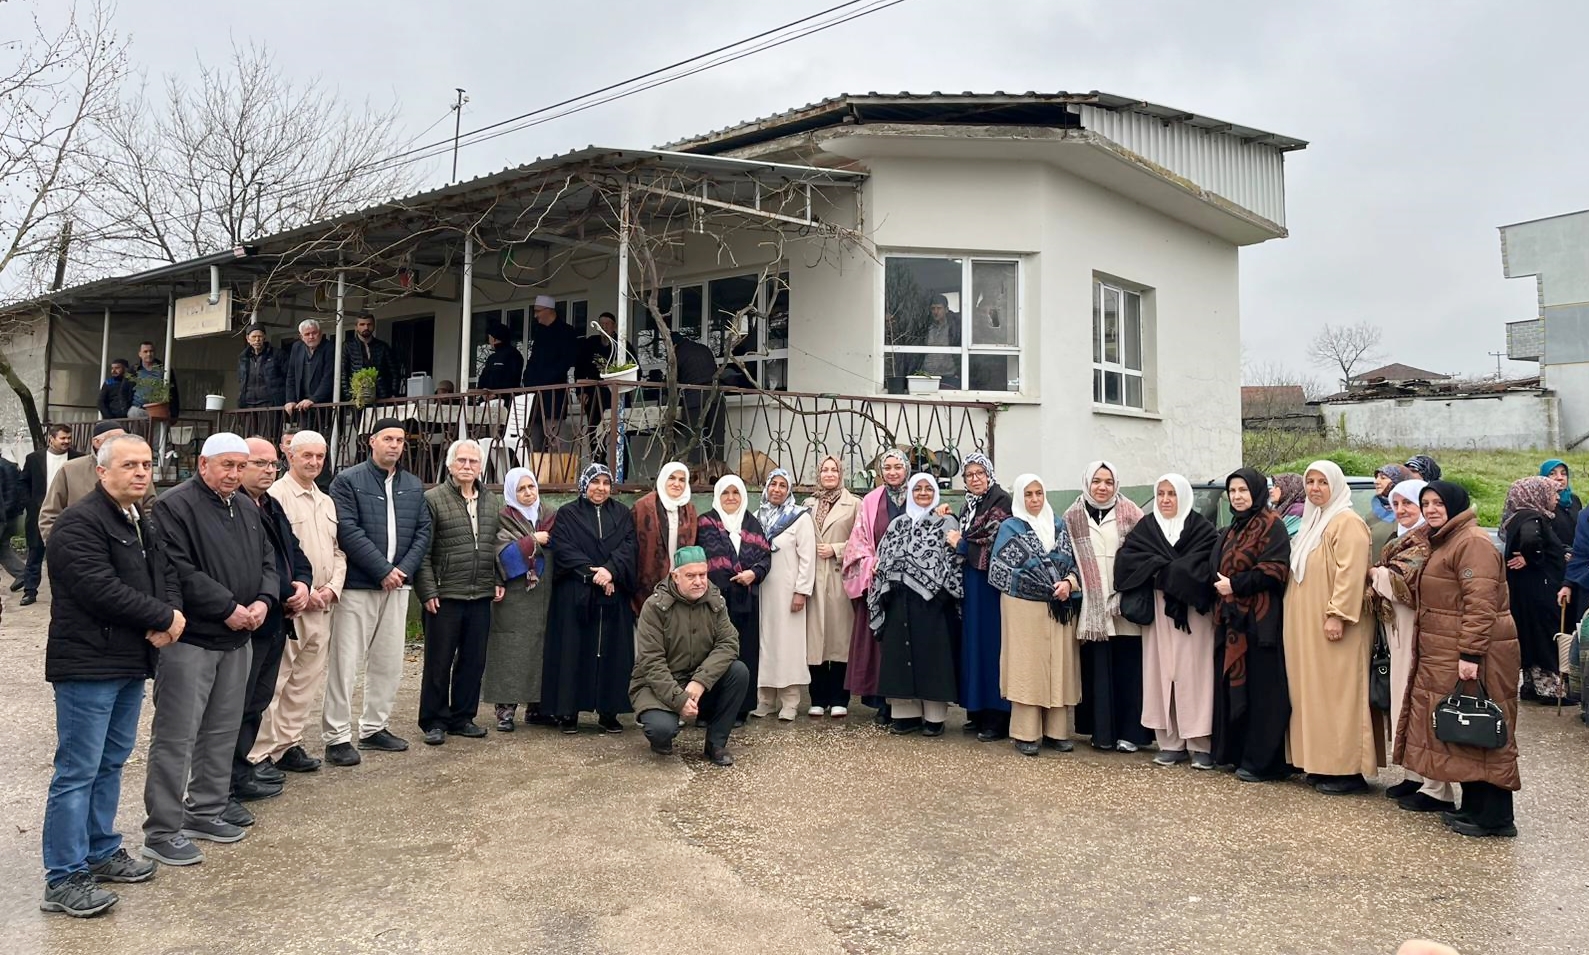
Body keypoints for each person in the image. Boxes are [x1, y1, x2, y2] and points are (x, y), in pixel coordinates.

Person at [39, 434, 181, 916]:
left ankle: (100, 852)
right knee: (77, 770)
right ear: (101, 472)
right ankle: (63, 877)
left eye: (146, 465)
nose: (142, 473)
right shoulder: (79, 524)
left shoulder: (141, 518)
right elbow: (99, 588)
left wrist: (171, 613)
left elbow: (165, 575)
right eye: (130, 466)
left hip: (127, 660)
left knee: (110, 762)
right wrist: (162, 618)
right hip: (88, 664)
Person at [142, 433, 278, 867]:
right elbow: (178, 569)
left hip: (238, 639)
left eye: (241, 467)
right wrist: (228, 608)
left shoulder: (245, 507)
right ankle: (162, 829)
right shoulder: (174, 506)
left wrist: (262, 601)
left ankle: (205, 810)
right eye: (227, 466)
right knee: (177, 736)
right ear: (204, 464)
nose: (235, 475)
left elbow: (268, 561)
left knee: (221, 732)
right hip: (193, 640)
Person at [1397, 481, 1521, 838]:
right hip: (1449, 649)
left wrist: (1470, 654)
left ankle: (1496, 817)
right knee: (1467, 729)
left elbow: (1480, 604)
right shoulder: (1448, 539)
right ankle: (1474, 807)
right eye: (1427, 503)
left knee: (1486, 728)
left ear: (1456, 505)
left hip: (1476, 652)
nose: (1432, 509)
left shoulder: (1471, 543)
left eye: (1439, 503)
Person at [324, 418, 433, 766]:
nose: (394, 445)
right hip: (359, 585)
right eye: (388, 438)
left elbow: (422, 532)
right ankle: (337, 736)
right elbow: (347, 530)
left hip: (398, 587)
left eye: (400, 440)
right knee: (345, 663)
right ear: (372, 441)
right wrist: (382, 570)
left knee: (388, 661)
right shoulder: (347, 481)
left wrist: (401, 572)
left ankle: (374, 728)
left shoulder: (413, 486)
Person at [1283, 460, 1381, 795]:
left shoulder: (1347, 522)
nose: (1314, 488)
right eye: (1309, 482)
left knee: (1340, 694)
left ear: (1335, 486)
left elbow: (1350, 573)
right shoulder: (1313, 521)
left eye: (1322, 482)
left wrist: (1337, 614)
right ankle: (1320, 762)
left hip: (1335, 624)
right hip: (1306, 625)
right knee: (1313, 693)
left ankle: (1347, 770)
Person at [251, 429, 345, 775]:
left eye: (320, 456)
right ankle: (260, 752)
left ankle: (287, 744)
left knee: (305, 682)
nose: (314, 462)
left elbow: (337, 551)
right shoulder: (277, 496)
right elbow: (278, 553)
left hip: (322, 603)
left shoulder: (326, 499)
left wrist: (332, 588)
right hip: (293, 604)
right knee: (276, 681)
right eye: (307, 455)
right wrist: (299, 591)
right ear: (289, 456)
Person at [230, 438, 313, 817]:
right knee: (238, 703)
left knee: (258, 700)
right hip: (252, 618)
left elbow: (294, 554)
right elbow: (254, 566)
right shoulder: (235, 507)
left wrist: (303, 584)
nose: (267, 470)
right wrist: (281, 590)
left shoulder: (271, 505)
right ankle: (227, 778)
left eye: (271, 464)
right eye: (258, 463)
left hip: (278, 617)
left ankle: (241, 770)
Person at [1116, 473, 1219, 768]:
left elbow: (1206, 566)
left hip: (1193, 614)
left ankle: (1200, 741)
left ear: (1183, 496)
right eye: (1160, 494)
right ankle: (1170, 741)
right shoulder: (1147, 527)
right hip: (1160, 613)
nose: (1165, 500)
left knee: (1196, 675)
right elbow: (1127, 562)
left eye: (1171, 494)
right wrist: (1171, 571)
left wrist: (1165, 571)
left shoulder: (1202, 529)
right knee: (1162, 673)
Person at [1369, 477, 1458, 812]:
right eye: (1397, 504)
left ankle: (1435, 783)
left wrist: (1378, 575)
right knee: (1400, 699)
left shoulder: (1427, 542)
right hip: (1397, 630)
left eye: (1409, 503)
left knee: (1418, 700)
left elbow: (1402, 584)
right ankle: (1413, 772)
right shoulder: (1402, 539)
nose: (1403, 510)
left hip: (1418, 629)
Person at [416, 439, 505, 745]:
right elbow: (422, 551)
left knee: (473, 660)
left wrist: (498, 579)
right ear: (450, 465)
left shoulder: (491, 501)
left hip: (480, 593)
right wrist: (427, 590)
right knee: (439, 661)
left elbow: (495, 546)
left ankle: (463, 717)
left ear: (481, 467)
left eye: (473, 462)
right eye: (462, 461)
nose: (467, 466)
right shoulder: (433, 499)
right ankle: (434, 720)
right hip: (445, 593)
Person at [630, 545, 749, 767]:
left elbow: (729, 643)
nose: (699, 582)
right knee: (661, 730)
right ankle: (661, 738)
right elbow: (652, 663)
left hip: (698, 679)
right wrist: (679, 699)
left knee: (738, 672)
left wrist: (700, 681)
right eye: (691, 576)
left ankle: (716, 743)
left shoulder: (714, 600)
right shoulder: (654, 607)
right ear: (675, 577)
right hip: (661, 683)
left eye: (703, 575)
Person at [989, 474, 1081, 757]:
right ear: (1019, 497)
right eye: (1028, 494)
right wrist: (1042, 586)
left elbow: (1074, 565)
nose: (1034, 499)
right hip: (1022, 607)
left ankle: (1057, 731)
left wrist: (1068, 584)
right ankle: (1025, 733)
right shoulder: (1010, 528)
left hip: (1059, 606)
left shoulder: (1058, 524)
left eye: (1039, 493)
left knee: (1059, 665)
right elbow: (1000, 572)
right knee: (1027, 667)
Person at [1210, 468, 1292, 782]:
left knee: (1263, 691)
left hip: (1260, 621)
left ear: (1257, 491)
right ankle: (1236, 753)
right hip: (1232, 621)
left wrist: (1237, 586)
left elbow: (1275, 569)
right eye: (1233, 491)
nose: (1238, 496)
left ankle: (1263, 762)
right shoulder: (1233, 528)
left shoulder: (1272, 526)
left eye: (1243, 490)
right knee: (1236, 687)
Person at [541, 464, 637, 733]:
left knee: (612, 653)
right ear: (585, 484)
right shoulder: (568, 513)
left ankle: (609, 712)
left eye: (606, 483)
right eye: (595, 482)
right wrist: (593, 574)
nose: (601, 488)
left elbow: (629, 547)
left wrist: (610, 571)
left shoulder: (621, 513)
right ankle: (568, 711)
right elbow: (563, 548)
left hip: (612, 593)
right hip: (575, 593)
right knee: (573, 651)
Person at [1066, 460, 1153, 753]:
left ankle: (1131, 733)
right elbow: (1068, 559)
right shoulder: (1073, 516)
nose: (1102, 487)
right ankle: (1101, 732)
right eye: (1097, 481)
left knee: (1129, 668)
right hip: (1092, 607)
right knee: (1097, 669)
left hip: (1123, 602)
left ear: (1116, 484)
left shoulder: (1133, 513)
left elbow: (1144, 553)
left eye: (1108, 482)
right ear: (1087, 483)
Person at [870, 472, 962, 735]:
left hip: (933, 604)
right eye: (917, 489)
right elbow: (883, 556)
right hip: (899, 602)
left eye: (928, 489)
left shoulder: (945, 522)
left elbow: (955, 561)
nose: (923, 493)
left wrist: (940, 592)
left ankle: (934, 718)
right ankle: (906, 715)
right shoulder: (897, 524)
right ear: (910, 492)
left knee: (932, 659)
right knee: (901, 658)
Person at [481, 467, 557, 731]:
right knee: (510, 649)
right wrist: (532, 541)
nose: (527, 493)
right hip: (514, 595)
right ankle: (505, 710)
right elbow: (500, 553)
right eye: (521, 489)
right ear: (512, 492)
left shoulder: (549, 515)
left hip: (545, 594)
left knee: (541, 649)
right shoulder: (503, 518)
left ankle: (537, 708)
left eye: (531, 487)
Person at [946, 452, 1012, 741]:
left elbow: (995, 540)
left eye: (979, 473)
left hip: (991, 585)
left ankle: (998, 717)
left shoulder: (1001, 501)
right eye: (969, 475)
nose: (974, 479)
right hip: (972, 583)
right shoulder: (970, 505)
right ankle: (978, 710)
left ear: (989, 474)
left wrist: (961, 544)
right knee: (973, 644)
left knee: (991, 645)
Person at [842, 448, 910, 725]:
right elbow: (857, 542)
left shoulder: (919, 496)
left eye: (898, 467)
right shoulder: (870, 501)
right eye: (888, 468)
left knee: (906, 644)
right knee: (881, 644)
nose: (893, 472)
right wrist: (873, 565)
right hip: (880, 584)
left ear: (907, 469)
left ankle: (908, 702)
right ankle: (883, 702)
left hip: (912, 586)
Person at [697, 474, 771, 722]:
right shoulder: (705, 522)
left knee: (744, 653)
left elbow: (765, 557)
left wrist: (753, 574)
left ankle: (739, 709)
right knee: (710, 654)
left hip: (745, 601)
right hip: (713, 601)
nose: (730, 498)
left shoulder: (752, 524)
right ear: (718, 495)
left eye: (735, 493)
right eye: (725, 493)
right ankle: (707, 709)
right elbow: (702, 557)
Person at [1500, 476, 1571, 703]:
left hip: (1526, 591)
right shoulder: (1532, 517)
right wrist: (1533, 559)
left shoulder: (1516, 518)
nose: (1557, 498)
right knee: (1545, 636)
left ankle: (1531, 686)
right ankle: (1550, 691)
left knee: (1530, 636)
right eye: (1553, 493)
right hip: (1540, 590)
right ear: (1536, 495)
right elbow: (1531, 541)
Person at [753, 469, 815, 721]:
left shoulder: (799, 518)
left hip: (789, 594)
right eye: (773, 484)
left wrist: (801, 591)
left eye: (782, 485)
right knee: (764, 644)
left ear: (789, 490)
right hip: (762, 592)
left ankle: (790, 701)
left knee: (789, 645)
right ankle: (765, 699)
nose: (777, 489)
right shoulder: (756, 518)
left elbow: (808, 558)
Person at [804, 454, 859, 717]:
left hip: (839, 578)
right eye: (824, 470)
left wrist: (836, 549)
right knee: (816, 640)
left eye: (833, 470)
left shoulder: (854, 505)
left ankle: (840, 698)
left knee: (839, 640)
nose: (828, 474)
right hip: (814, 579)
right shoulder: (808, 504)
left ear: (841, 474)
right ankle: (817, 696)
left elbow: (862, 541)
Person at [40, 422, 157, 544]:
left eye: (147, 465)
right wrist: (61, 548)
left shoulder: (139, 473)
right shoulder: (70, 469)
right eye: (115, 439)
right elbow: (49, 515)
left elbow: (151, 508)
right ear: (96, 442)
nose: (140, 472)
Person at [20, 424, 82, 605]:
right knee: (35, 552)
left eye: (69, 438)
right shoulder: (34, 458)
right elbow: (23, 482)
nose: (66, 442)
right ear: (51, 438)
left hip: (69, 513)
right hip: (40, 513)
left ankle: (70, 592)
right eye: (62, 438)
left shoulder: (78, 458)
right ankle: (30, 591)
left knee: (69, 554)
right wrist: (29, 503)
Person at [632, 461, 696, 615]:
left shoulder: (689, 510)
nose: (676, 484)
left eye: (682, 480)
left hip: (678, 582)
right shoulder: (643, 507)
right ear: (663, 479)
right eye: (672, 478)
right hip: (647, 580)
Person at [522, 295, 578, 450]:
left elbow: (566, 362)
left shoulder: (567, 332)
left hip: (554, 395)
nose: (536, 315)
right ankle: (533, 474)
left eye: (538, 311)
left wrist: (545, 380)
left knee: (557, 443)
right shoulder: (539, 332)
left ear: (549, 310)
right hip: (534, 396)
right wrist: (528, 379)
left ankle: (560, 475)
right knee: (534, 442)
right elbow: (534, 360)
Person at [671, 330, 725, 465]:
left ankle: (697, 476)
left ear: (673, 345)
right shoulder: (703, 348)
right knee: (716, 438)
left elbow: (672, 383)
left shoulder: (677, 354)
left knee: (694, 440)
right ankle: (716, 474)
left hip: (694, 399)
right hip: (716, 397)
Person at [283, 319, 335, 416]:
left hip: (323, 404)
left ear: (320, 333)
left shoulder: (329, 348)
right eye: (307, 334)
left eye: (314, 333)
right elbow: (291, 376)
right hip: (302, 405)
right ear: (301, 336)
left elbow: (328, 377)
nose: (311, 337)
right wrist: (290, 400)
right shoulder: (297, 347)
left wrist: (313, 399)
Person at [342, 315, 399, 402]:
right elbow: (343, 373)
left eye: (369, 324)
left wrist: (393, 393)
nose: (366, 327)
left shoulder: (383, 347)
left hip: (382, 395)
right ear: (356, 327)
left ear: (374, 326)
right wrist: (349, 396)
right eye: (362, 324)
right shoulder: (348, 346)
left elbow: (394, 371)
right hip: (357, 397)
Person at [578, 312, 618, 430]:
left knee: (618, 433)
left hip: (615, 395)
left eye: (607, 324)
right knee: (594, 432)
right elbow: (580, 368)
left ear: (614, 326)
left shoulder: (621, 344)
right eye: (601, 324)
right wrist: (580, 391)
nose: (604, 327)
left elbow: (636, 370)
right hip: (594, 395)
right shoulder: (590, 343)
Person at [1540, 458, 1582, 560]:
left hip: (1578, 558)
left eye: (1563, 474)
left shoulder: (1574, 500)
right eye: (1552, 473)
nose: (1559, 478)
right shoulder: (1541, 502)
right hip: (1553, 559)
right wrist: (1562, 551)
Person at [237, 326, 287, 410]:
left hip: (270, 403)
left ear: (264, 337)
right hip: (248, 403)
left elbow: (288, 377)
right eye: (254, 337)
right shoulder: (243, 358)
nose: (257, 340)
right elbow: (241, 380)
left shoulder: (277, 354)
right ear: (248, 339)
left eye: (259, 336)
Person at [131, 341, 180, 418]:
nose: (149, 354)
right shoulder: (134, 370)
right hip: (138, 410)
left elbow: (173, 391)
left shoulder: (164, 370)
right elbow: (124, 391)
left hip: (159, 410)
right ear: (140, 354)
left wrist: (174, 414)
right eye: (145, 351)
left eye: (151, 351)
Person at [279, 423, 333, 492]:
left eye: (320, 456)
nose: (313, 463)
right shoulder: (275, 467)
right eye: (289, 443)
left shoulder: (325, 500)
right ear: (282, 447)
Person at [1369, 463, 1408, 555]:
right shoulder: (1372, 515)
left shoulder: (1410, 515)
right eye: (1377, 478)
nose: (1376, 481)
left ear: (1397, 481)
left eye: (1383, 478)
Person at [476, 321, 524, 393]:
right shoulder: (492, 357)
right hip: (491, 400)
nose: (489, 341)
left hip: (505, 400)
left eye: (489, 338)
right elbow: (483, 379)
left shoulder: (513, 355)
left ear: (494, 339)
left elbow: (513, 379)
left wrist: (489, 393)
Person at [1269, 473, 1306, 538]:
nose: (1271, 490)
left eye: (1276, 486)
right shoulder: (1282, 508)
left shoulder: (1298, 510)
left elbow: (1278, 537)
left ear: (1289, 488)